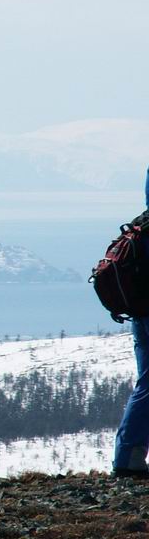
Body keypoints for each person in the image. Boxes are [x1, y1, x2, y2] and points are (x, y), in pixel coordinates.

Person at [114, 169, 149, 478]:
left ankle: (129, 457)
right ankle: (129, 459)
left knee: (146, 383)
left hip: (141, 315)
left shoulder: (142, 224)